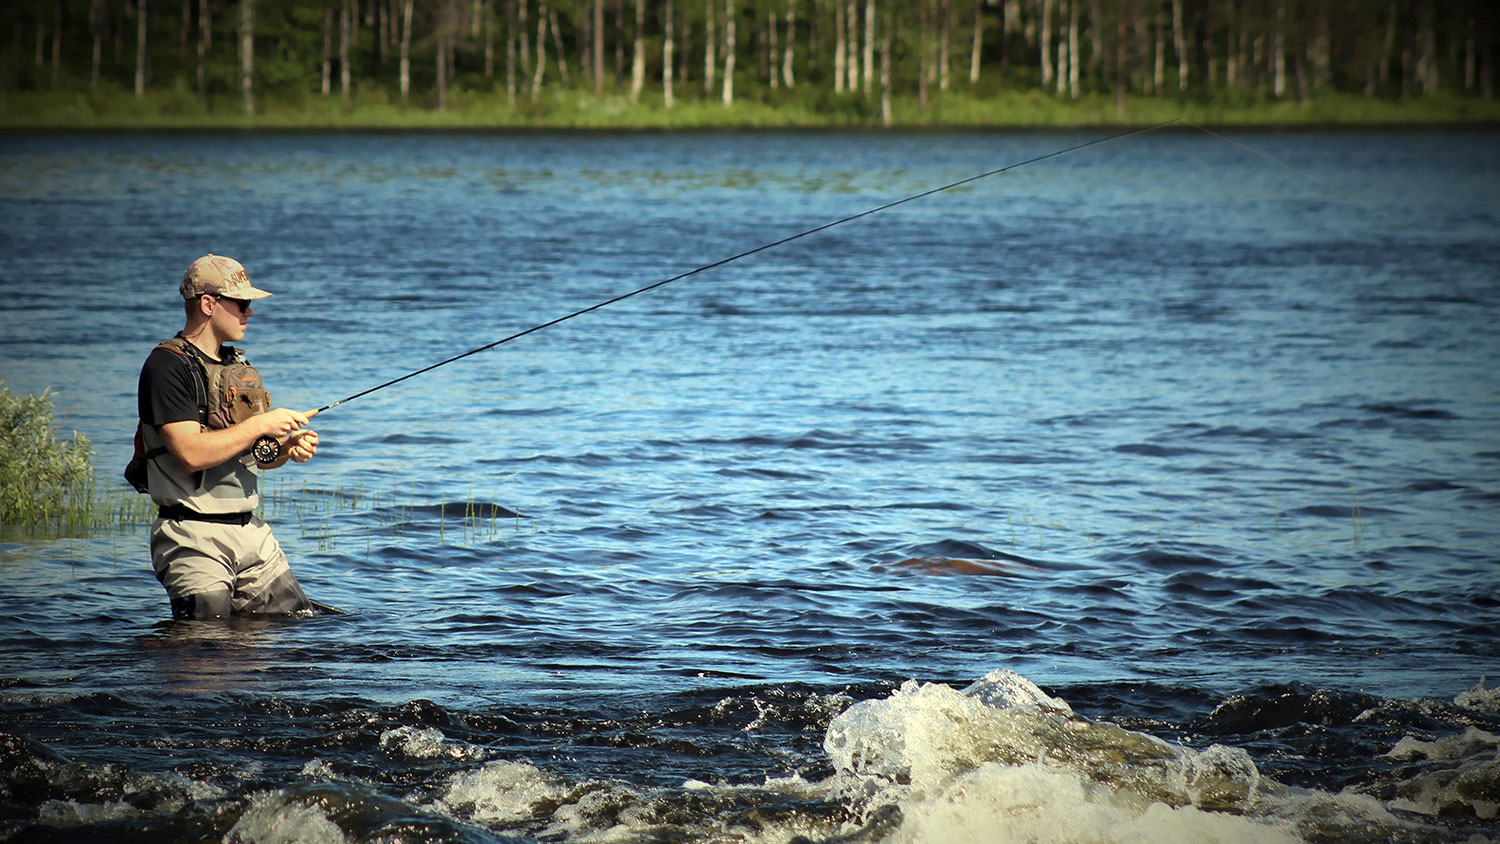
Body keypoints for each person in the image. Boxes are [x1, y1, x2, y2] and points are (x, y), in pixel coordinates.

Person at [135, 254, 319, 619]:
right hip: (193, 538)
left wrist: (284, 449)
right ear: (208, 304)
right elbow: (190, 453)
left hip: (252, 534)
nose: (249, 313)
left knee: (297, 631)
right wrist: (260, 425)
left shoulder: (239, 368)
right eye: (242, 303)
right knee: (207, 652)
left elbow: (252, 454)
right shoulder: (166, 367)